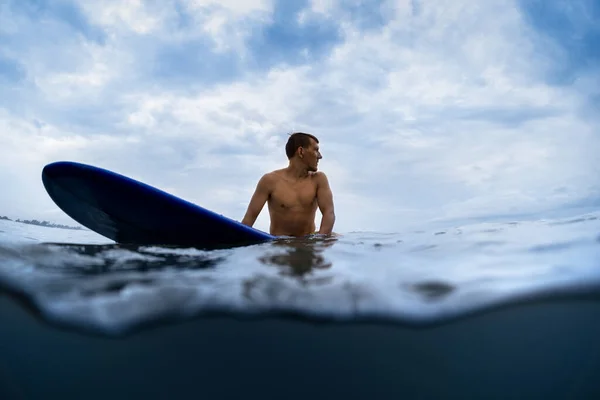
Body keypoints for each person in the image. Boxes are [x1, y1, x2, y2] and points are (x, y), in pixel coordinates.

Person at [241, 132, 336, 237]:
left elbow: (329, 212)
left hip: (308, 243)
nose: (320, 156)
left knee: (335, 237)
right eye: (316, 150)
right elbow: (249, 218)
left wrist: (320, 241)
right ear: (301, 151)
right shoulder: (269, 181)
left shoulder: (318, 179)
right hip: (280, 244)